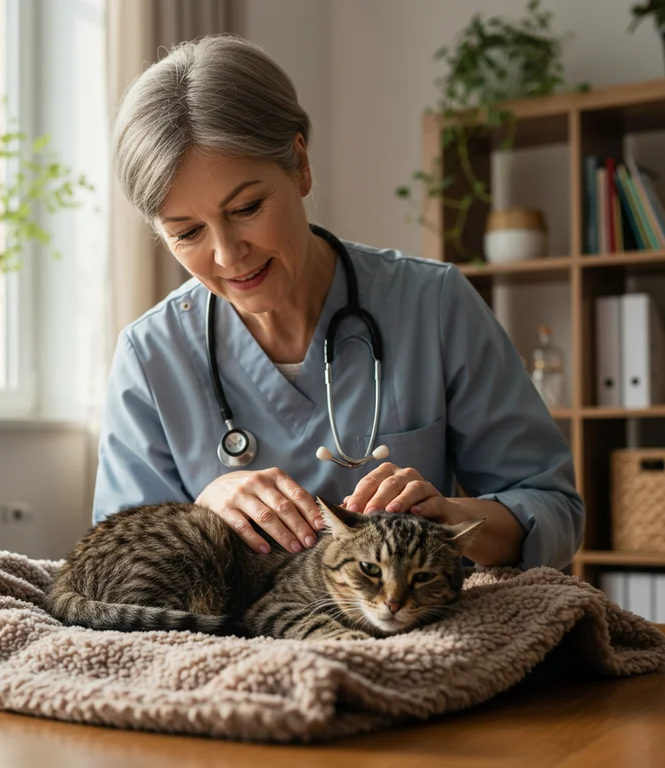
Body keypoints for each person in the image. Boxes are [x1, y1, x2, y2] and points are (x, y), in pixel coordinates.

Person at [94, 34, 584, 572]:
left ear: (300, 165)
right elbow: (115, 570)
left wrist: (447, 521)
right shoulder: (150, 355)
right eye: (187, 233)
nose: (228, 255)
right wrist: (202, 516)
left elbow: (553, 507)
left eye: (248, 207)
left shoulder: (432, 306)